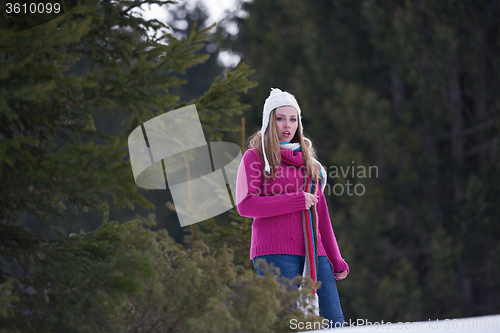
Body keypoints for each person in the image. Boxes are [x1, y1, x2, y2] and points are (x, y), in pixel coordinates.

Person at [235, 88, 349, 327]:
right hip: (275, 253)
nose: (287, 125)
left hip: (314, 252)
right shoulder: (255, 157)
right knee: (288, 324)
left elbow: (322, 215)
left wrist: (335, 258)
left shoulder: (311, 164)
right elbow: (246, 204)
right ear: (269, 121)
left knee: (335, 323)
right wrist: (295, 200)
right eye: (280, 118)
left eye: (293, 119)